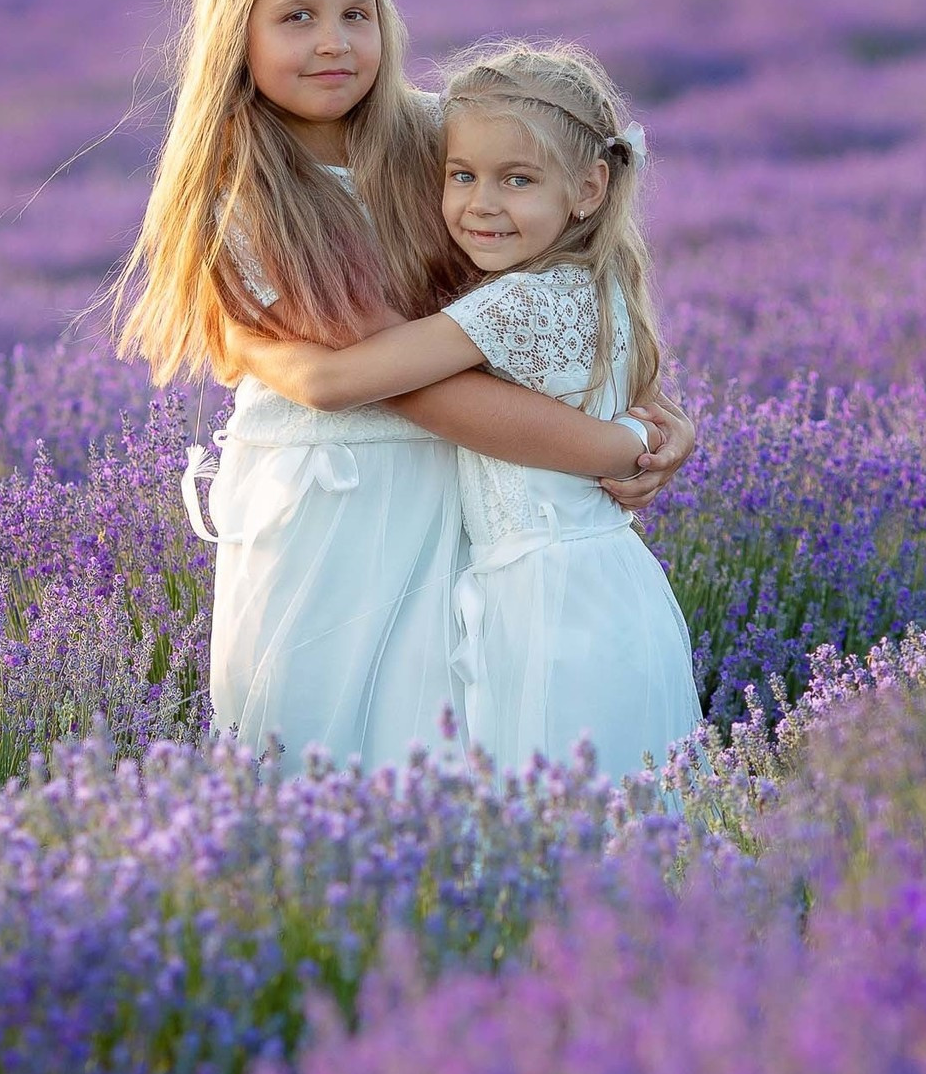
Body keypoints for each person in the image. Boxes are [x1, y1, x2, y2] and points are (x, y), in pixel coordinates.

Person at [114, 0, 695, 772]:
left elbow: (571, 275)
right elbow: (401, 386)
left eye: (357, 13)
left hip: (455, 499)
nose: (334, 42)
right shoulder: (247, 196)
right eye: (297, 18)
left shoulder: (439, 143)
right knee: (316, 748)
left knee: (444, 756)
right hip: (325, 509)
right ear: (238, 37)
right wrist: (608, 446)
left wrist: (650, 407)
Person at [230, 40, 703, 780]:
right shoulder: (591, 277)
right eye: (462, 175)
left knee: (551, 806)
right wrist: (638, 435)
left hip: (549, 603)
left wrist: (240, 337)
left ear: (589, 188)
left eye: (517, 179)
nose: (482, 203)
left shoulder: (520, 302)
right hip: (600, 585)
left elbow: (337, 381)